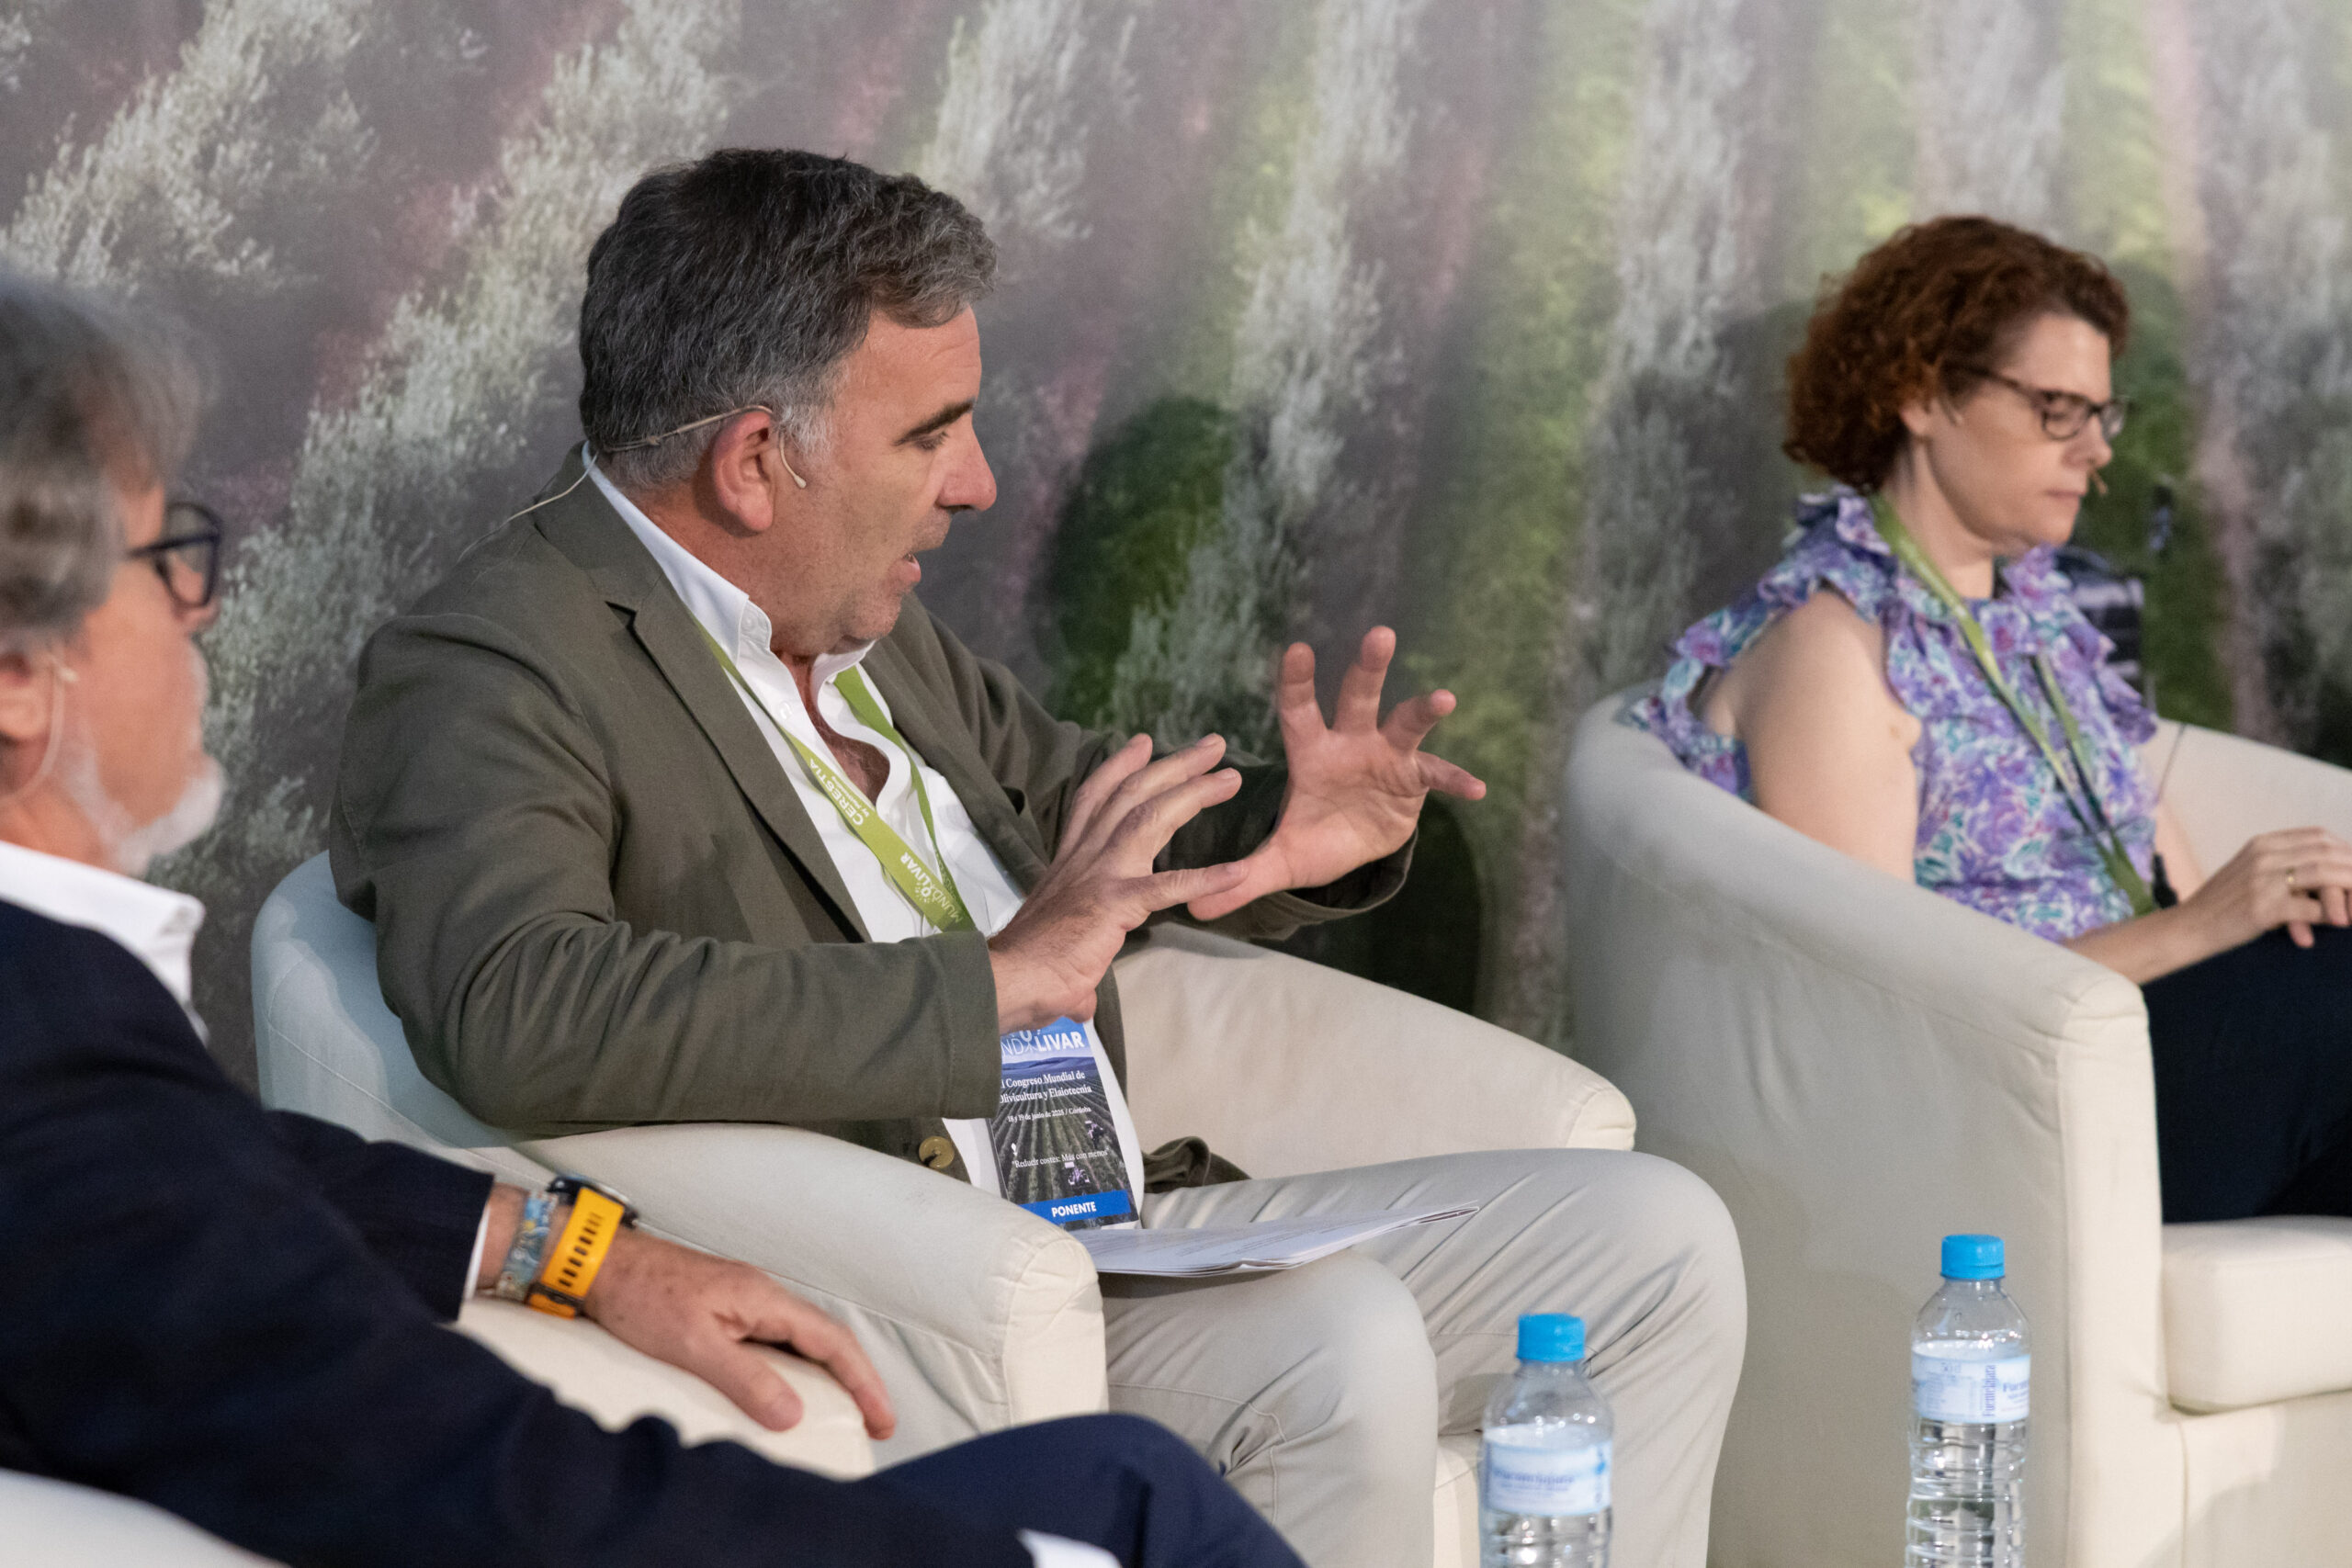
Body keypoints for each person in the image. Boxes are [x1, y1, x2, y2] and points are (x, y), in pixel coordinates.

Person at [331, 149, 1746, 1568]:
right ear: (756, 461)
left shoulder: (858, 612)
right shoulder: (492, 663)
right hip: (930, 1271)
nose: (980, 483)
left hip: (1113, 1222)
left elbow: (1075, 807)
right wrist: (990, 984)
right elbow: (518, 1003)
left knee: (1660, 1239)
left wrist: (1278, 835)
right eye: (930, 434)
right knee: (1341, 1336)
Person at [0, 273, 1313, 1568]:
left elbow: (218, 1168)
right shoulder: (51, 1051)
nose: (203, 605)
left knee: (1134, 1481)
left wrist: (570, 1246)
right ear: (17, 678)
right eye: (167, 559)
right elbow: (471, 1483)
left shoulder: (62, 1040)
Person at [1635, 214, 2352, 1224]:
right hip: (2003, 1100)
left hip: (2144, 1055)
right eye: (2058, 410)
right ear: (1922, 393)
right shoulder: (1834, 650)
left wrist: (2263, 919)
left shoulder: (2037, 618)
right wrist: (2206, 928)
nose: (2096, 452)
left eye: (2103, 414)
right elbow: (1886, 1001)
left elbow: (2162, 878)